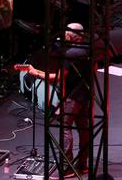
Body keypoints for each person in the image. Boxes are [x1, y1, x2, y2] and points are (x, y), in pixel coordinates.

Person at [15, 23, 92, 178]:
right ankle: (83, 164)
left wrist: (35, 74)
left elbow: (57, 79)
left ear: (71, 35)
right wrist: (34, 70)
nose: (63, 35)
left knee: (65, 128)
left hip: (72, 96)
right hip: (85, 94)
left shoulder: (70, 54)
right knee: (83, 129)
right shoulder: (86, 49)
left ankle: (68, 166)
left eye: (66, 33)